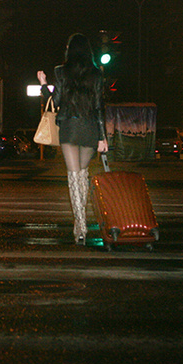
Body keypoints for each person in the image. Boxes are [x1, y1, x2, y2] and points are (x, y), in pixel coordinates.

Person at [38, 33, 109, 245]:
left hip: (69, 127)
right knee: (83, 175)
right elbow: (99, 108)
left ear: (70, 50)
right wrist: (102, 137)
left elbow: (55, 101)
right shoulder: (97, 74)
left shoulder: (61, 72)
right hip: (89, 129)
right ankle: (81, 222)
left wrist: (43, 84)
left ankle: (80, 226)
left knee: (73, 175)